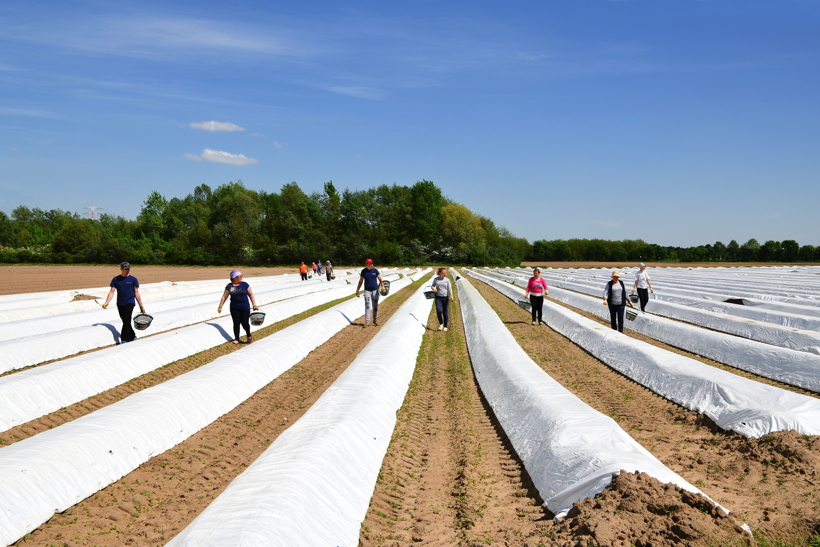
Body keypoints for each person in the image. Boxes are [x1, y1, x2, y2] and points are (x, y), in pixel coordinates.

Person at [101, 261, 145, 344]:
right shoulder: (116, 279)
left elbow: (136, 293)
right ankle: (132, 335)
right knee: (125, 320)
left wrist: (141, 306)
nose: (127, 270)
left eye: (128, 269)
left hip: (130, 302)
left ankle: (124, 338)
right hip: (120, 303)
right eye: (125, 269)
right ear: (121, 269)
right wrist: (107, 302)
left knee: (127, 319)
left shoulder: (133, 279)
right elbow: (112, 292)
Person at [218, 270, 259, 344]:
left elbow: (251, 295)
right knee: (236, 323)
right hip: (234, 308)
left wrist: (254, 305)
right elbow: (224, 296)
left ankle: (248, 335)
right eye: (239, 276)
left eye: (241, 276)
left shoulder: (245, 284)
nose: (241, 277)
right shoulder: (229, 286)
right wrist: (220, 306)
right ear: (234, 278)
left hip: (245, 307)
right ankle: (236, 339)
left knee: (245, 323)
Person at [355, 258, 385, 327]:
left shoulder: (375, 270)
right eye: (370, 263)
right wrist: (357, 290)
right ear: (367, 264)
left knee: (375, 306)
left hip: (375, 290)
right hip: (367, 291)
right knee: (367, 305)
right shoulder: (364, 272)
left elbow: (380, 279)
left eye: (372, 263)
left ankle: (375, 320)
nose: (372, 264)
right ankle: (367, 321)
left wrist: (383, 287)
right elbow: (360, 281)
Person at [431, 267, 455, 331]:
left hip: (445, 297)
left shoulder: (447, 280)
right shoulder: (436, 279)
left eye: (445, 273)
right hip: (438, 297)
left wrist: (451, 295)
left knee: (445, 312)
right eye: (443, 273)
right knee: (439, 311)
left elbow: (449, 288)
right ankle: (441, 324)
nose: (445, 274)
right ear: (439, 273)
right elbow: (432, 285)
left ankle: (445, 326)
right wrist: (434, 288)